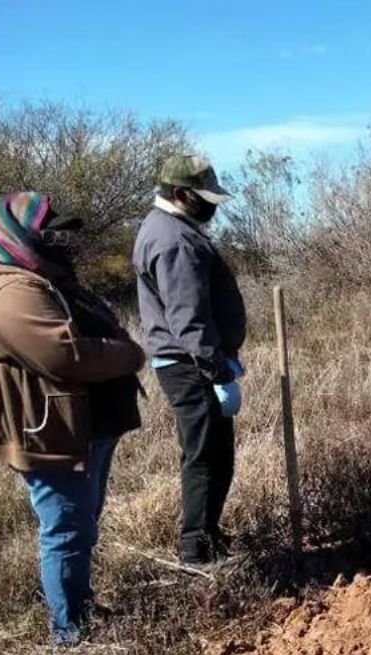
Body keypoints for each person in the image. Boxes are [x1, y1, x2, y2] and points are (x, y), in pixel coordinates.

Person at [0, 192, 145, 646]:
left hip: (77, 424)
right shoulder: (5, 290)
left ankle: (81, 606)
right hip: (47, 430)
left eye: (63, 235)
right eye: (51, 234)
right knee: (65, 528)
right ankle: (69, 632)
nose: (62, 243)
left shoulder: (37, 277)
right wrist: (130, 354)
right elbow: (64, 356)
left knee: (81, 521)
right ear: (13, 235)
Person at [133, 155, 247, 566]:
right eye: (204, 198)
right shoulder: (174, 240)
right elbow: (189, 319)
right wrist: (218, 372)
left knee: (216, 455)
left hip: (193, 362)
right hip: (191, 365)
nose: (211, 207)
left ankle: (209, 538)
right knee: (205, 457)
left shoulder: (171, 228)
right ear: (181, 194)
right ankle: (196, 553)